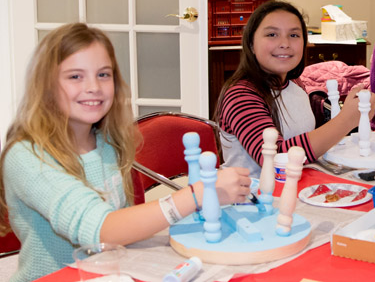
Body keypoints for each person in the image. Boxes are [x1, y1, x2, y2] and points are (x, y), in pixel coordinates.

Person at [0, 24, 251, 282]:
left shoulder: (106, 142)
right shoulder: (26, 156)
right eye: (75, 76)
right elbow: (100, 230)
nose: (93, 86)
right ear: (46, 86)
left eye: (103, 74)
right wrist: (197, 194)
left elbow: (126, 228)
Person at [215, 1, 375, 177]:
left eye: (294, 35)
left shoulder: (295, 83)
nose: (285, 43)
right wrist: (345, 120)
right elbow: (276, 158)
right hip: (253, 191)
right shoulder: (241, 95)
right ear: (251, 44)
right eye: (272, 34)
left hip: (298, 185)